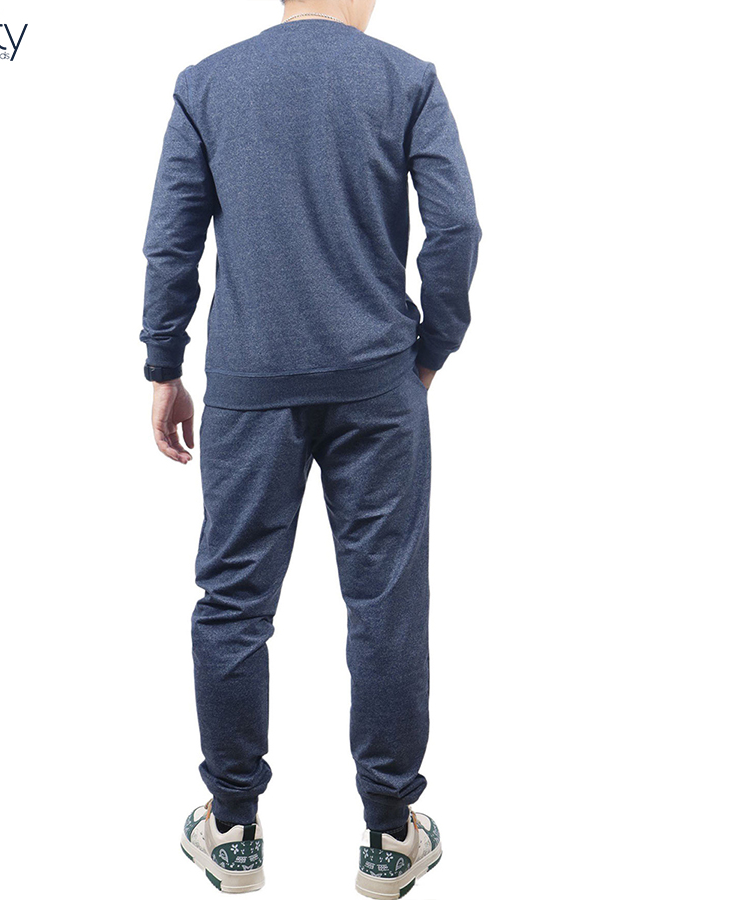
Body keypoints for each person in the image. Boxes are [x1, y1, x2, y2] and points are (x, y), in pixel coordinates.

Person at [140, 0, 480, 894]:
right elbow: (455, 229)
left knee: (233, 603)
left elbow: (172, 240)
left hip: (250, 390)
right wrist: (432, 351)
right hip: (379, 386)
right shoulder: (406, 79)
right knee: (386, 607)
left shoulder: (208, 84)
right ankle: (390, 836)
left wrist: (164, 364)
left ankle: (233, 829)